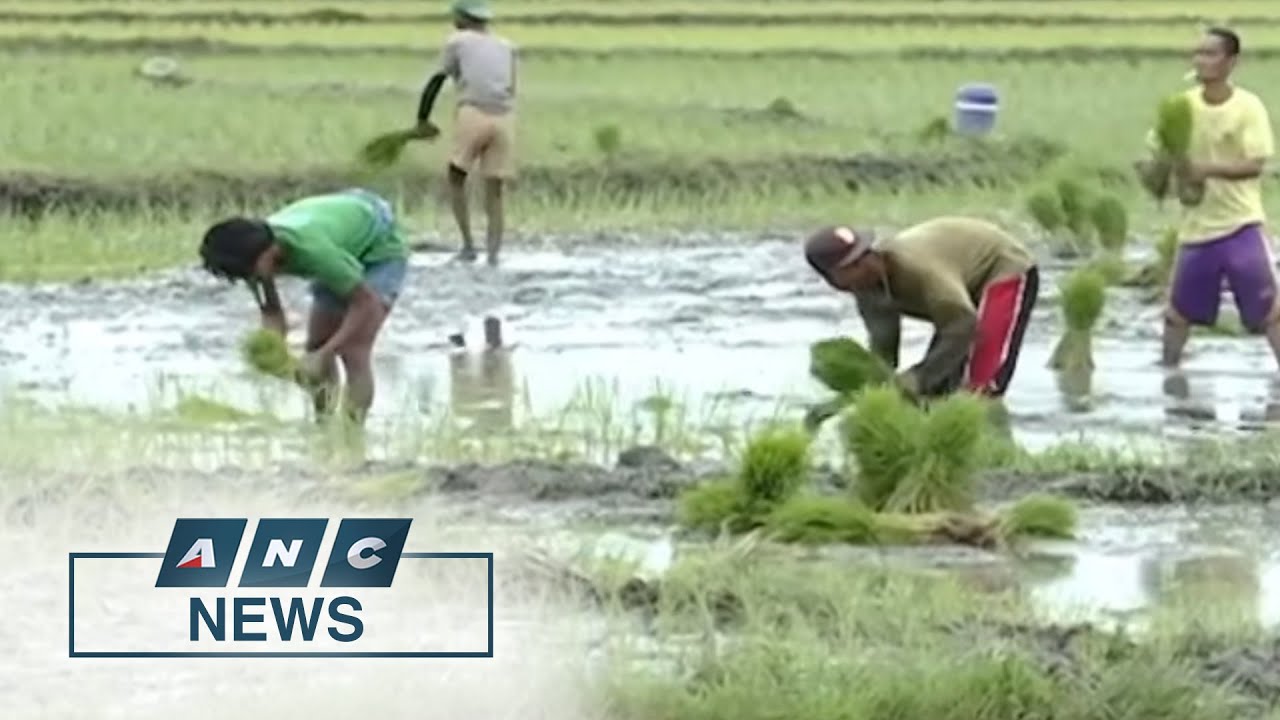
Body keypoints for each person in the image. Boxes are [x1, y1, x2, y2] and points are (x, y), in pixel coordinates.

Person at [198, 188, 409, 426]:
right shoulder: (252, 261)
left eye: (252, 272)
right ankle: (324, 425)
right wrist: (275, 354)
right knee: (315, 344)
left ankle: (353, 433)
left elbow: (366, 304)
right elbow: (272, 312)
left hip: (376, 243)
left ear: (269, 251)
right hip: (338, 232)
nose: (251, 278)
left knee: (353, 349)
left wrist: (326, 354)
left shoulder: (313, 251)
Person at [1143, 27, 1279, 369]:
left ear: (1231, 61)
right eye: (1198, 53)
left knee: (1272, 313)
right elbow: (1158, 156)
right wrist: (1159, 172)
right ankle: (1169, 376)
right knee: (1177, 314)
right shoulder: (1181, 108)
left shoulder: (1247, 107)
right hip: (1196, 230)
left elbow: (1255, 164)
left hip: (1241, 225)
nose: (1201, 60)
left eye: (1210, 53)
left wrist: (1206, 170)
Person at [803, 217, 1039, 401]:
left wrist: (918, 377)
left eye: (866, 253)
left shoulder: (916, 270)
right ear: (835, 281)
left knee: (981, 383)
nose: (867, 262)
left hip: (1000, 265)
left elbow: (962, 325)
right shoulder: (866, 291)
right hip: (958, 290)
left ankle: (992, 450)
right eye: (853, 265)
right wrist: (874, 389)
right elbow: (884, 347)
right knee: (936, 392)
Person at [415, 0, 517, 267]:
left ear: (462, 17)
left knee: (456, 176)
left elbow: (437, 80)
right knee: (494, 188)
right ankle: (494, 254)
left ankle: (468, 246)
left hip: (473, 113)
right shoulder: (506, 46)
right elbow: (511, 88)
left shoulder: (457, 41)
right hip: (504, 117)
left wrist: (422, 118)